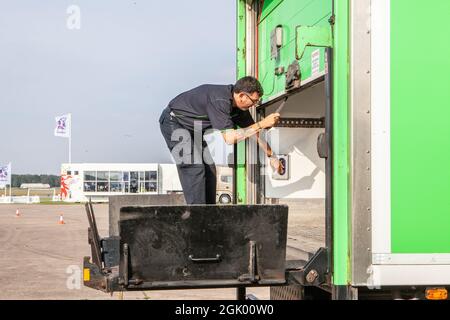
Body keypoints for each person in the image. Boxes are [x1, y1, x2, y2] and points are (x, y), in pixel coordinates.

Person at [159, 76, 282, 204]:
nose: (254, 105)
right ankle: (196, 216)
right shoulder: (220, 101)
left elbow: (254, 133)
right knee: (194, 167)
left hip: (194, 130)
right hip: (174, 123)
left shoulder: (239, 108)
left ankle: (209, 214)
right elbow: (230, 139)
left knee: (210, 169)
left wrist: (272, 156)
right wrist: (262, 123)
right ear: (242, 96)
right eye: (254, 101)